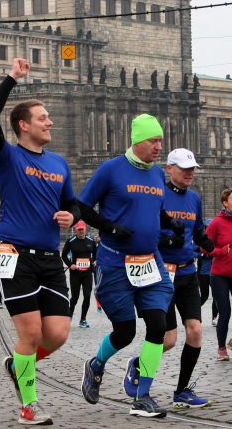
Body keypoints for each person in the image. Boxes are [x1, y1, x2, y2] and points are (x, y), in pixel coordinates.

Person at [0, 57, 79, 425]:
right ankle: (28, 405)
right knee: (32, 332)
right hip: (13, 254)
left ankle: (17, 365)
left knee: (57, 335)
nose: (49, 122)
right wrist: (11, 78)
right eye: (42, 118)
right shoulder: (6, 157)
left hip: (50, 257)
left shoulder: (59, 163)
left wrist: (72, 216)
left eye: (48, 117)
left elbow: (71, 202)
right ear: (23, 125)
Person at [78, 114, 182, 418]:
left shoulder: (157, 174)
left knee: (158, 327)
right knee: (124, 332)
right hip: (114, 263)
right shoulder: (111, 169)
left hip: (150, 263)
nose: (159, 146)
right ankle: (96, 365)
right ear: (137, 140)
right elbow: (82, 207)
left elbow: (153, 209)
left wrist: (170, 222)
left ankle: (142, 395)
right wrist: (110, 227)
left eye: (161, 140)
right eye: (154, 140)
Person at [160, 149, 215, 408]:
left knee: (195, 331)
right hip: (162, 273)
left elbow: (198, 230)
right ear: (170, 168)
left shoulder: (194, 198)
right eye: (184, 168)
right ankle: (138, 365)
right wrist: (166, 240)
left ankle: (182, 391)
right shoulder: (157, 194)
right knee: (168, 340)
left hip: (187, 272)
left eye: (192, 168)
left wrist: (208, 242)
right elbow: (145, 230)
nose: (190, 173)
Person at [205, 188, 232, 361]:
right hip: (219, 275)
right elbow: (204, 247)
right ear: (225, 203)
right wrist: (220, 251)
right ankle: (221, 348)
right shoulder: (216, 223)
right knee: (225, 312)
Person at [61, 221, 97, 328]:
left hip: (87, 272)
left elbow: (96, 254)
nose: (81, 231)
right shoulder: (71, 241)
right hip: (75, 273)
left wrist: (95, 261)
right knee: (75, 296)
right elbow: (64, 255)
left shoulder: (91, 241)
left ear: (85, 229)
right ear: (75, 230)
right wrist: (70, 264)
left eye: (82, 229)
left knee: (87, 295)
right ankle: (70, 313)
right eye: (79, 229)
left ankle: (83, 319)